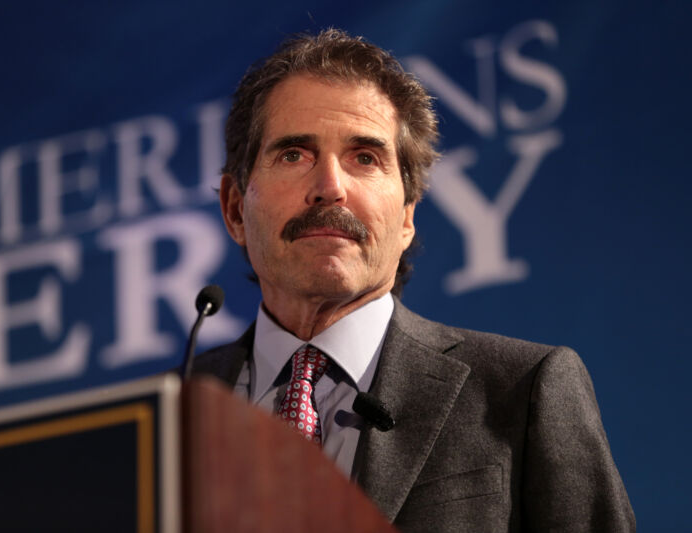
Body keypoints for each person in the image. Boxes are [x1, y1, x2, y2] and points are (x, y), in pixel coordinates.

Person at [194, 28, 635, 532]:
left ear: (407, 216)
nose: (330, 188)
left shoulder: (521, 391)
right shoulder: (160, 416)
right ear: (233, 209)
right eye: (294, 154)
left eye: (365, 157)